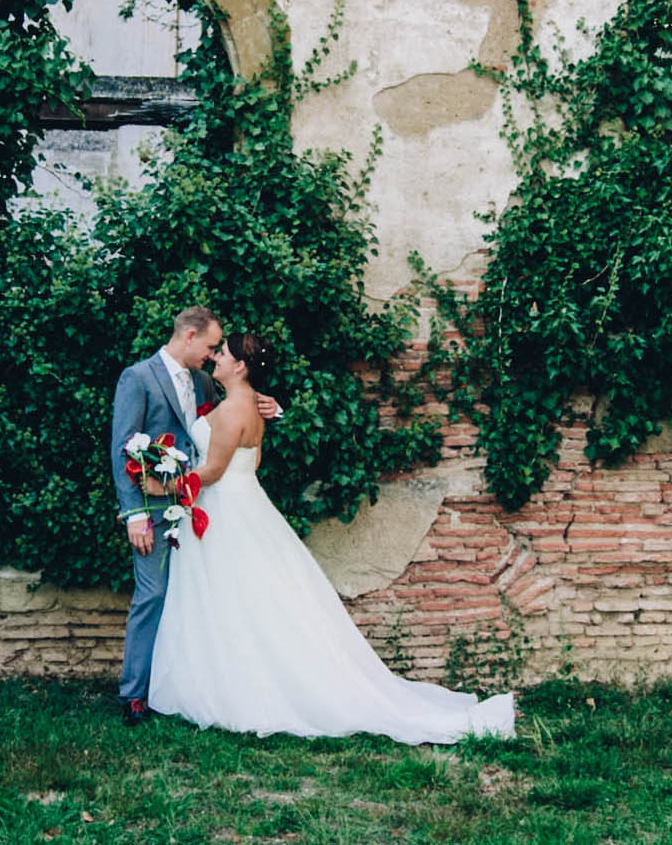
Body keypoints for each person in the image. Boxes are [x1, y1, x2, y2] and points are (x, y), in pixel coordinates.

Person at [149, 331, 517, 744]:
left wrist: (162, 486)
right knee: (244, 599)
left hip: (224, 506)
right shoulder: (254, 405)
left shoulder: (236, 408)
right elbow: (254, 460)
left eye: (224, 353)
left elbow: (214, 471)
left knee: (233, 598)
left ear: (240, 366)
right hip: (244, 502)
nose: (216, 357)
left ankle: (237, 689)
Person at [110, 307, 277, 726]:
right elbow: (122, 448)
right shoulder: (139, 378)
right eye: (209, 346)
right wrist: (133, 514)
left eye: (218, 350)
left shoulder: (206, 381)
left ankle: (188, 687)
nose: (212, 353)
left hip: (199, 507)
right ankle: (134, 695)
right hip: (153, 510)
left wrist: (273, 409)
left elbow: (235, 419)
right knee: (152, 595)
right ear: (188, 336)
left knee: (194, 599)